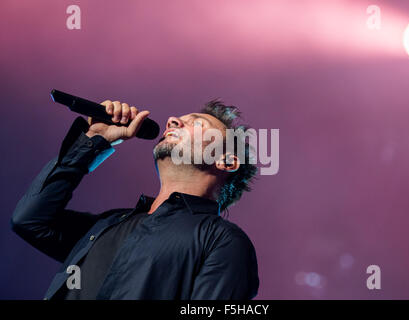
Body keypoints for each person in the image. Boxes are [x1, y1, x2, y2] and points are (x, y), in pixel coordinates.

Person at [11, 99, 259, 300]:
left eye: (198, 123)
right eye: (178, 119)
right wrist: (95, 140)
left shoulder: (223, 242)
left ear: (226, 160)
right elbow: (30, 220)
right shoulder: (109, 224)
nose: (172, 120)